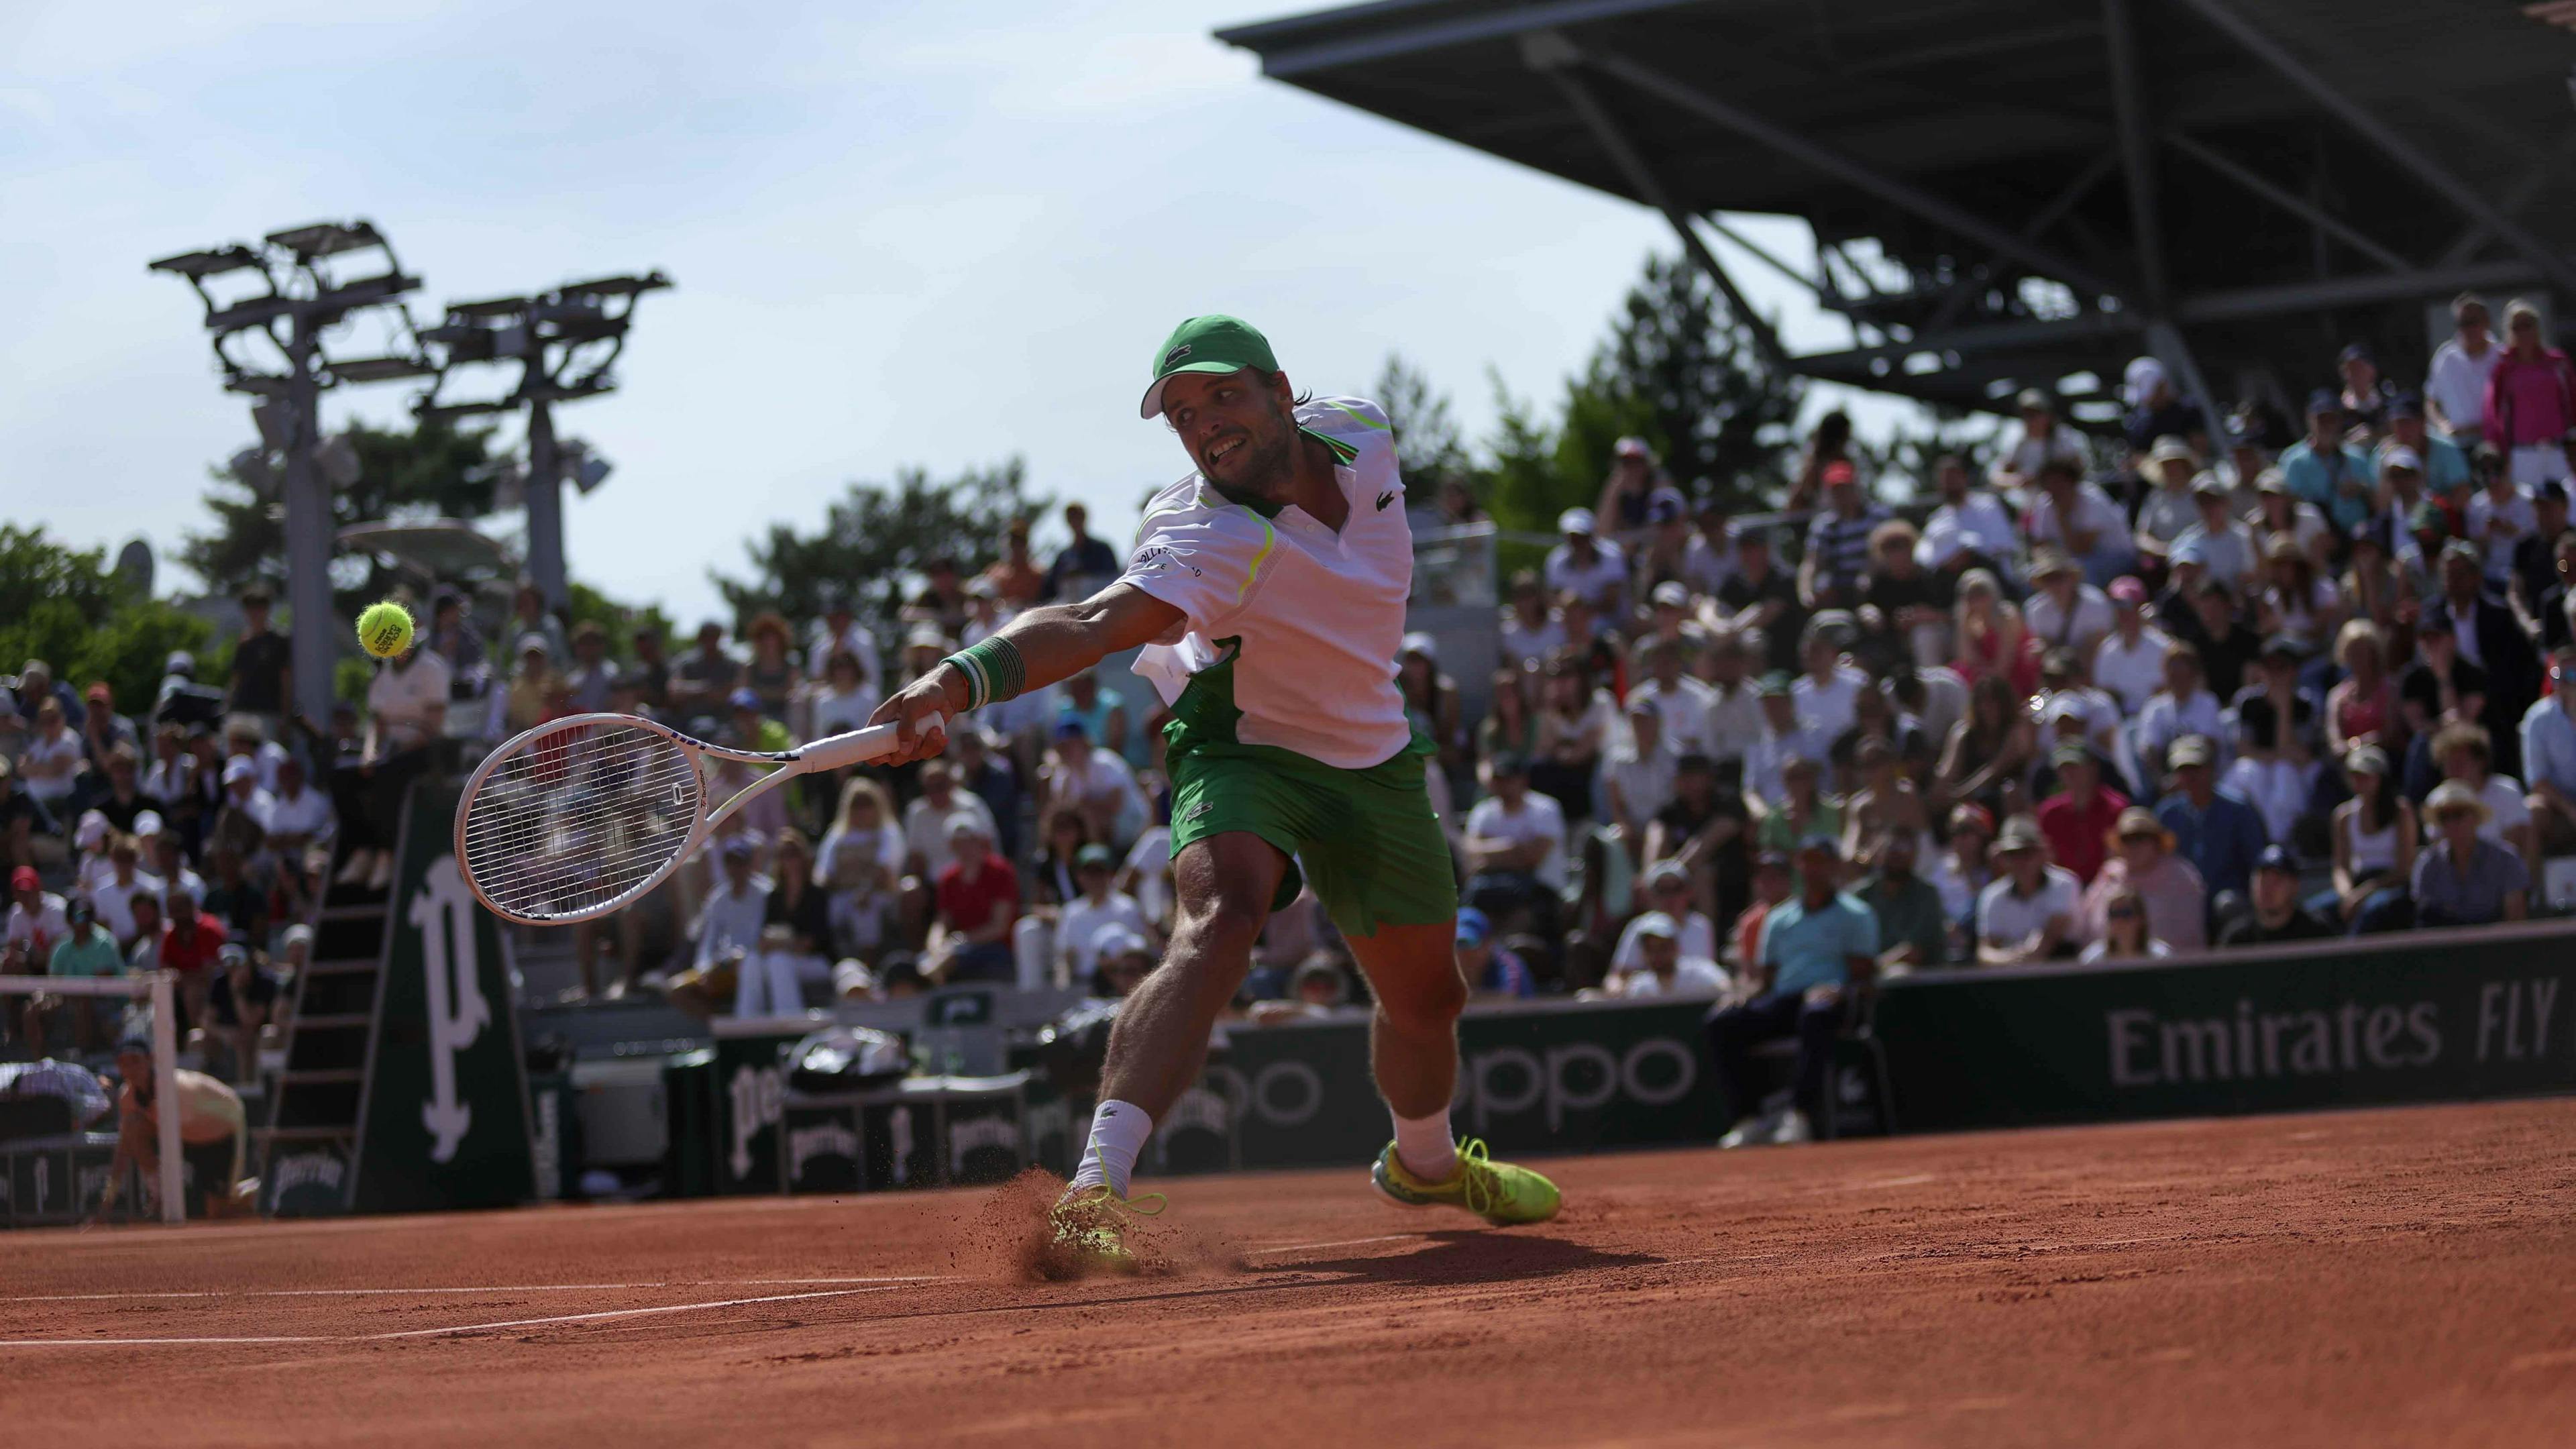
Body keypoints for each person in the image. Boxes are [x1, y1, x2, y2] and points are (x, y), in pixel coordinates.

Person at [866, 316, 1559, 1265]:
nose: (1204, 425)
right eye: (1183, 414)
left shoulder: (1362, 430)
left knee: (1429, 1001)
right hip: (1243, 743)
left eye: (1222, 397)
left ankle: (1428, 1165)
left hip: (1371, 751)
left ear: (1282, 389)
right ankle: (1090, 1195)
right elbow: (1092, 622)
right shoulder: (1200, 531)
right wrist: (957, 678)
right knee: (1222, 918)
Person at [1705, 835, 1875, 1147]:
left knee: (1816, 1013)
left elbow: (1863, 977)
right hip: (1786, 1000)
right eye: (1806, 861)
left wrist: (1837, 989)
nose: (1812, 869)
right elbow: (1764, 979)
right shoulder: (1779, 918)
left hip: (1834, 1002)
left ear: (1834, 866)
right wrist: (1742, 993)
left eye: (1819, 861)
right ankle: (1748, 1120)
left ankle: (1800, 1117)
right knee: (1723, 1021)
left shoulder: (1856, 914)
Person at [95, 1039, 247, 1221]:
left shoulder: (177, 1088)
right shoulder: (128, 1096)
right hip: (185, 1136)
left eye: (135, 1060)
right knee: (132, 1126)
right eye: (123, 1063)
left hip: (220, 1134)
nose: (130, 1068)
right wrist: (108, 1200)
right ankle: (159, 1194)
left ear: (150, 1059)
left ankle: (252, 1193)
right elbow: (124, 1146)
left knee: (222, 1211)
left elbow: (234, 1115)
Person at [2078, 808, 2206, 953]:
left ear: (2157, 842)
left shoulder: (2181, 876)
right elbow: (2085, 926)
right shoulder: (2109, 873)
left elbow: (2191, 935)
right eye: (2127, 839)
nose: (2133, 846)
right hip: (2107, 965)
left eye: (2140, 838)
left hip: (2166, 965)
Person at [2325, 745, 2417, 935]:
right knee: (2318, 912)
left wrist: (2363, 894)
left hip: (2391, 886)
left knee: (2371, 911)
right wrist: (2347, 894)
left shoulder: (2401, 812)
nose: (2359, 782)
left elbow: (2403, 870)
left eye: (2365, 776)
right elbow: (2340, 868)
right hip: (2358, 884)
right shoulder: (2343, 816)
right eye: (2354, 775)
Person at [2484, 299, 2576, 486]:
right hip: (2523, 452)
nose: (2523, 332)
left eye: (2528, 325)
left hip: (2558, 449)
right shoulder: (2504, 368)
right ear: (2509, 331)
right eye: (2516, 327)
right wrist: (2501, 450)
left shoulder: (2557, 362)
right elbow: (2493, 411)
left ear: (2537, 328)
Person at [2412, 781, 2529, 926]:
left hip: (2496, 944)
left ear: (2475, 818)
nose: (2452, 823)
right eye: (2444, 817)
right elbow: (2425, 920)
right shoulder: (2428, 864)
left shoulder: (2506, 859)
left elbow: (2516, 921)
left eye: (2458, 814)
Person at [1976, 815, 2079, 965]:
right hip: (2012, 975)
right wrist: (2011, 958)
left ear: (2041, 854)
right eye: (2012, 855)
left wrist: (2021, 959)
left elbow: (2049, 941)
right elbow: (1985, 951)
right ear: (2003, 859)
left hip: (2063, 969)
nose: (2020, 862)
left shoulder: (2064, 884)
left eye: (2026, 853)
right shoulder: (1992, 896)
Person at [2035, 741, 2126, 885]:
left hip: (2107, 888)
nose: (2069, 773)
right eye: (2063, 768)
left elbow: (2118, 860)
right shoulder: (2049, 813)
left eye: (2075, 766)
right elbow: (2048, 862)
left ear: (2093, 767)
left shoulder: (2117, 808)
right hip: (2064, 892)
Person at [1856, 829, 1947, 971]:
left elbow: (1913, 952)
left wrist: (1872, 968)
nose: (1897, 856)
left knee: (1900, 972)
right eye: (1890, 850)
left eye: (1904, 850)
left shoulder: (1926, 895)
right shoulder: (1861, 895)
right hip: (1867, 977)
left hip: (1917, 980)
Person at [2214, 845, 2335, 945]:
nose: (2268, 889)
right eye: (2262, 881)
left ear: (2294, 886)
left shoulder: (2317, 932)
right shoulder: (2237, 938)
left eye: (2276, 881)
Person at [2428, 293, 2501, 447]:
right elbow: (2431, 402)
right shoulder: (2445, 357)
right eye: (2462, 323)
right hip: (2457, 445)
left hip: (2496, 442)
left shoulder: (2502, 356)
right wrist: (2443, 425)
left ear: (2487, 322)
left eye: (2473, 322)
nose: (2468, 329)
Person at [1608, 912, 1727, 998]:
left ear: (1676, 947)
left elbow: (1726, 988)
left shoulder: (1701, 972)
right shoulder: (1641, 988)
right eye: (1650, 949)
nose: (1657, 955)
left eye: (1663, 947)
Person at [1046, 501, 1122, 603]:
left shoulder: (1102, 549)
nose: (1075, 521)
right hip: (1070, 607)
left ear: (1084, 518)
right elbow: (1052, 588)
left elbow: (1113, 580)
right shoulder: (1064, 556)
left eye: (1078, 516)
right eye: (1071, 517)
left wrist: (1084, 575)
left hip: (1098, 605)